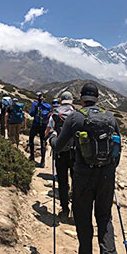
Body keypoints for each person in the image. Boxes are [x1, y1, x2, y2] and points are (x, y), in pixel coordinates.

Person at [50, 83, 121, 254]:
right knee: (104, 218)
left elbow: (59, 146)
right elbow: (117, 150)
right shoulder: (110, 118)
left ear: (80, 98)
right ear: (98, 98)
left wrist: (52, 138)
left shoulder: (75, 118)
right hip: (106, 174)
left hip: (83, 175)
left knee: (83, 220)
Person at [45, 91, 75, 221]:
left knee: (62, 181)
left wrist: (50, 138)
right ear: (72, 101)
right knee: (76, 181)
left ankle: (64, 209)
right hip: (75, 153)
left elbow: (49, 130)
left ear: (61, 100)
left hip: (60, 152)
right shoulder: (77, 114)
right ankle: (76, 209)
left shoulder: (55, 114)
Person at [29, 91, 52, 168]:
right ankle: (43, 160)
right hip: (44, 126)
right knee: (43, 142)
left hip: (36, 124)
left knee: (31, 139)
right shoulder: (47, 106)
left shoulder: (35, 104)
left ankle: (32, 157)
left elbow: (31, 113)